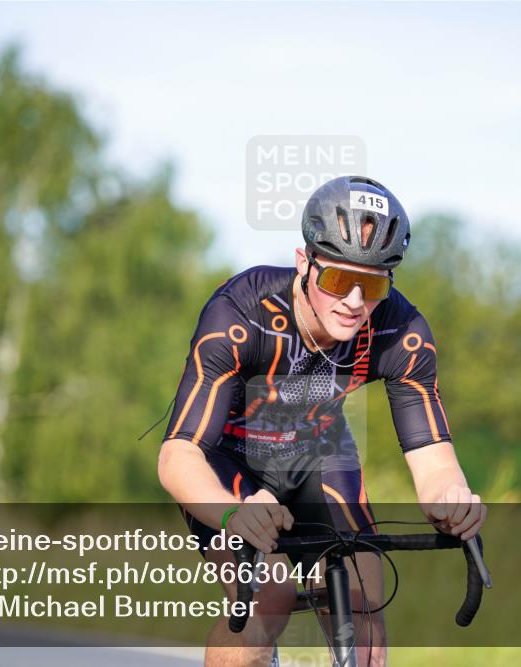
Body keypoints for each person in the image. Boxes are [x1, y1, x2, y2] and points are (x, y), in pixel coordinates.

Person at [157, 176, 486, 666]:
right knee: (268, 597)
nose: (354, 301)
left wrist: (453, 501)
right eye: (336, 280)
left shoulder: (401, 330)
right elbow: (178, 455)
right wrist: (231, 514)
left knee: (364, 615)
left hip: (318, 452)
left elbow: (434, 463)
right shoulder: (242, 312)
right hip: (229, 460)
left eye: (372, 284)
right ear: (304, 262)